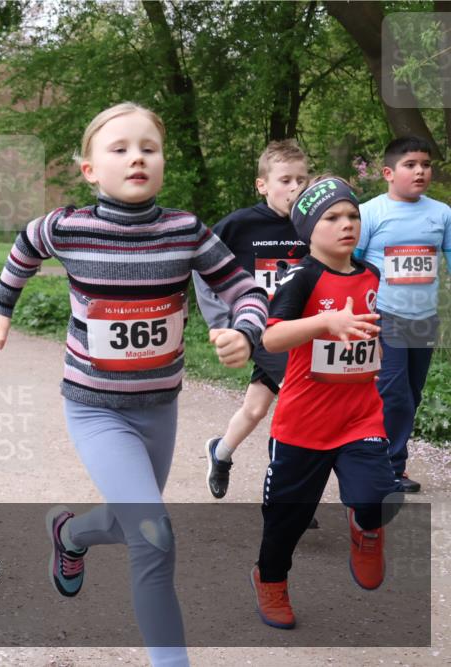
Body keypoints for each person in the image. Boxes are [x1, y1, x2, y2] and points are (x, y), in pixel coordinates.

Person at [0, 102, 268, 667]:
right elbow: (24, 245)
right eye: (119, 149)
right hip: (94, 409)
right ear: (89, 169)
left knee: (131, 519)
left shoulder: (186, 230)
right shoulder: (68, 227)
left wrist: (245, 329)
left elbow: (245, 289)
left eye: (148, 148)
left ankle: (70, 534)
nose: (136, 157)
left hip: (159, 407)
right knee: (154, 537)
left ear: (162, 163)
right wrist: (0, 306)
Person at [252, 176, 403, 629]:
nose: (346, 224)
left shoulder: (371, 273)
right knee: (286, 521)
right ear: (308, 229)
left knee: (376, 494)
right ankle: (271, 580)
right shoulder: (301, 276)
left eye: (352, 215)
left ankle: (366, 529)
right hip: (303, 423)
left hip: (360, 415)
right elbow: (272, 337)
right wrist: (325, 323)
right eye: (332, 217)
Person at [194, 140, 309, 498]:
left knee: (256, 407)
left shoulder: (312, 225)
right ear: (262, 185)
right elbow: (201, 265)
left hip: (298, 331)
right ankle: (287, 491)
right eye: (285, 180)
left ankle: (220, 452)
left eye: (301, 180)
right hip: (256, 328)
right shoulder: (239, 225)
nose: (295, 188)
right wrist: (219, 320)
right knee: (302, 398)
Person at [355, 137, 451, 494]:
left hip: (424, 317)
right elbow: (356, 265)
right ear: (388, 173)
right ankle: (389, 467)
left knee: (413, 392)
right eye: (411, 165)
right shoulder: (369, 212)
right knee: (394, 394)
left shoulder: (441, 213)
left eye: (425, 165)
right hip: (384, 314)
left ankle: (389, 461)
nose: (421, 171)